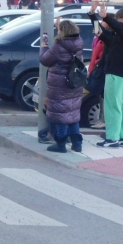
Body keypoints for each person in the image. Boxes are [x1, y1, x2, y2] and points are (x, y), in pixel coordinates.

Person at [39, 20, 84, 153]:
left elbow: (45, 60)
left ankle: (61, 144)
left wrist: (44, 46)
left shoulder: (59, 45)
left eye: (59, 29)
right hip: (75, 83)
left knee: (60, 115)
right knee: (73, 113)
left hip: (60, 84)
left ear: (62, 31)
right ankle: (77, 144)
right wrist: (59, 26)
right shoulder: (79, 42)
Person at [95, 3, 123, 147]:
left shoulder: (122, 31)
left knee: (113, 106)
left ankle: (112, 138)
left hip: (116, 74)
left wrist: (106, 17)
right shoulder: (117, 36)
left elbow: (120, 28)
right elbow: (99, 33)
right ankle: (121, 136)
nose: (118, 23)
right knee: (121, 106)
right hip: (120, 75)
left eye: (120, 20)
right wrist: (92, 15)